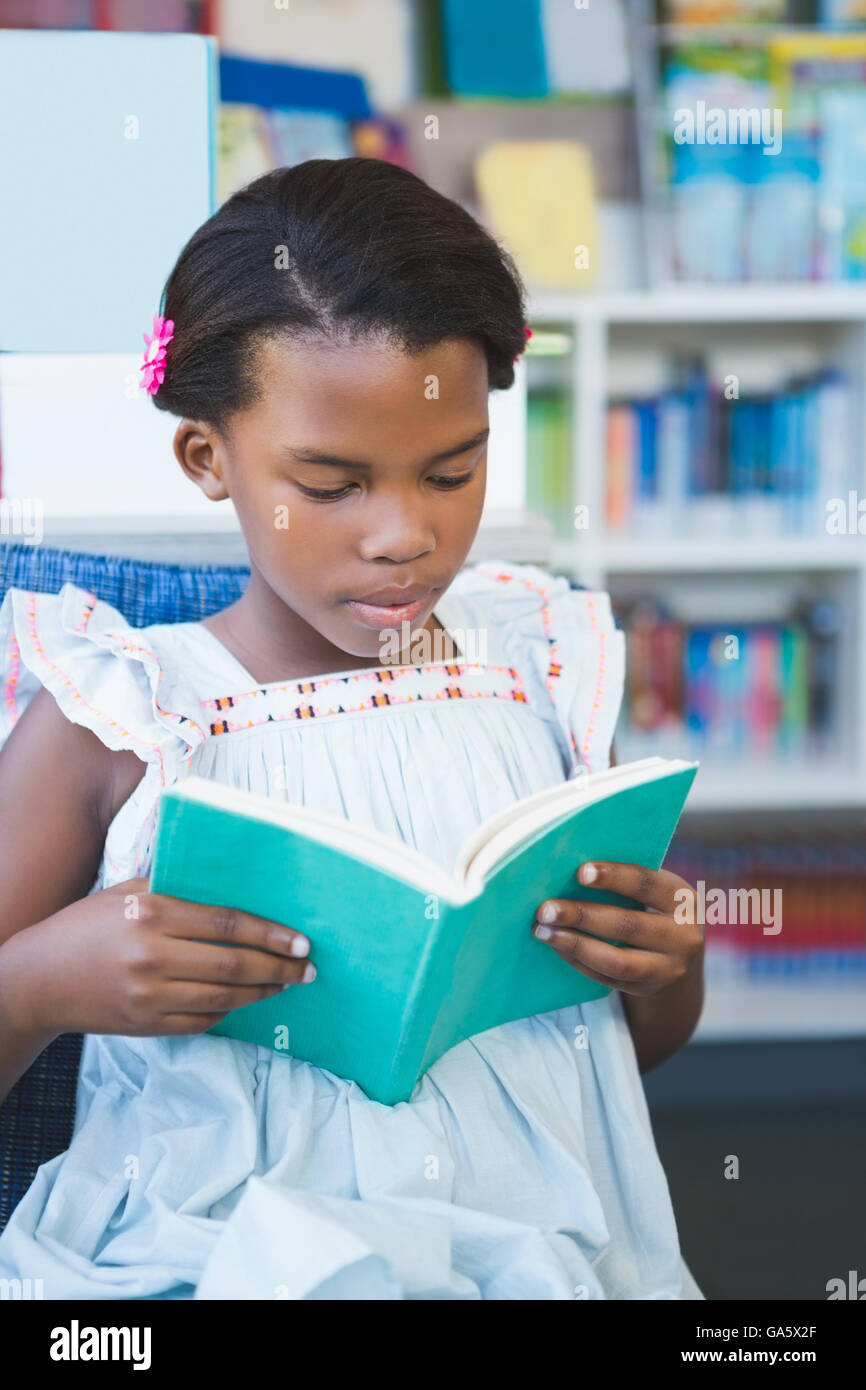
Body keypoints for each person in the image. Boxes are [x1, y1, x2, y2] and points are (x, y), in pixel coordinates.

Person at [0, 158, 704, 1300]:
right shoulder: (119, 712)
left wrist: (661, 973)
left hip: (536, 1250)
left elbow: (610, 1065)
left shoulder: (538, 662)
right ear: (206, 458)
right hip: (216, 1256)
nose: (402, 536)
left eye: (451, 471)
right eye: (329, 485)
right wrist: (34, 982)